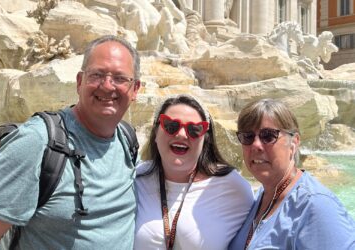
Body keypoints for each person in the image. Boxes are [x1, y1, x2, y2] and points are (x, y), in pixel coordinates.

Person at [0, 35, 141, 249]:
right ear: (79, 82)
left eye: (120, 78)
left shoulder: (128, 141)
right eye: (97, 75)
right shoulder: (36, 141)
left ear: (135, 90)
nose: (107, 86)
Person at [229, 98, 355, 250]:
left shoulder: (316, 205)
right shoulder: (262, 195)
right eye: (247, 137)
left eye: (268, 135)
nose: (256, 145)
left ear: (294, 143)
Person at [134, 94, 254, 250]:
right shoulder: (135, 178)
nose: (182, 134)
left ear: (205, 139)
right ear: (156, 132)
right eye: (171, 126)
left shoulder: (234, 188)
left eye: (194, 129)